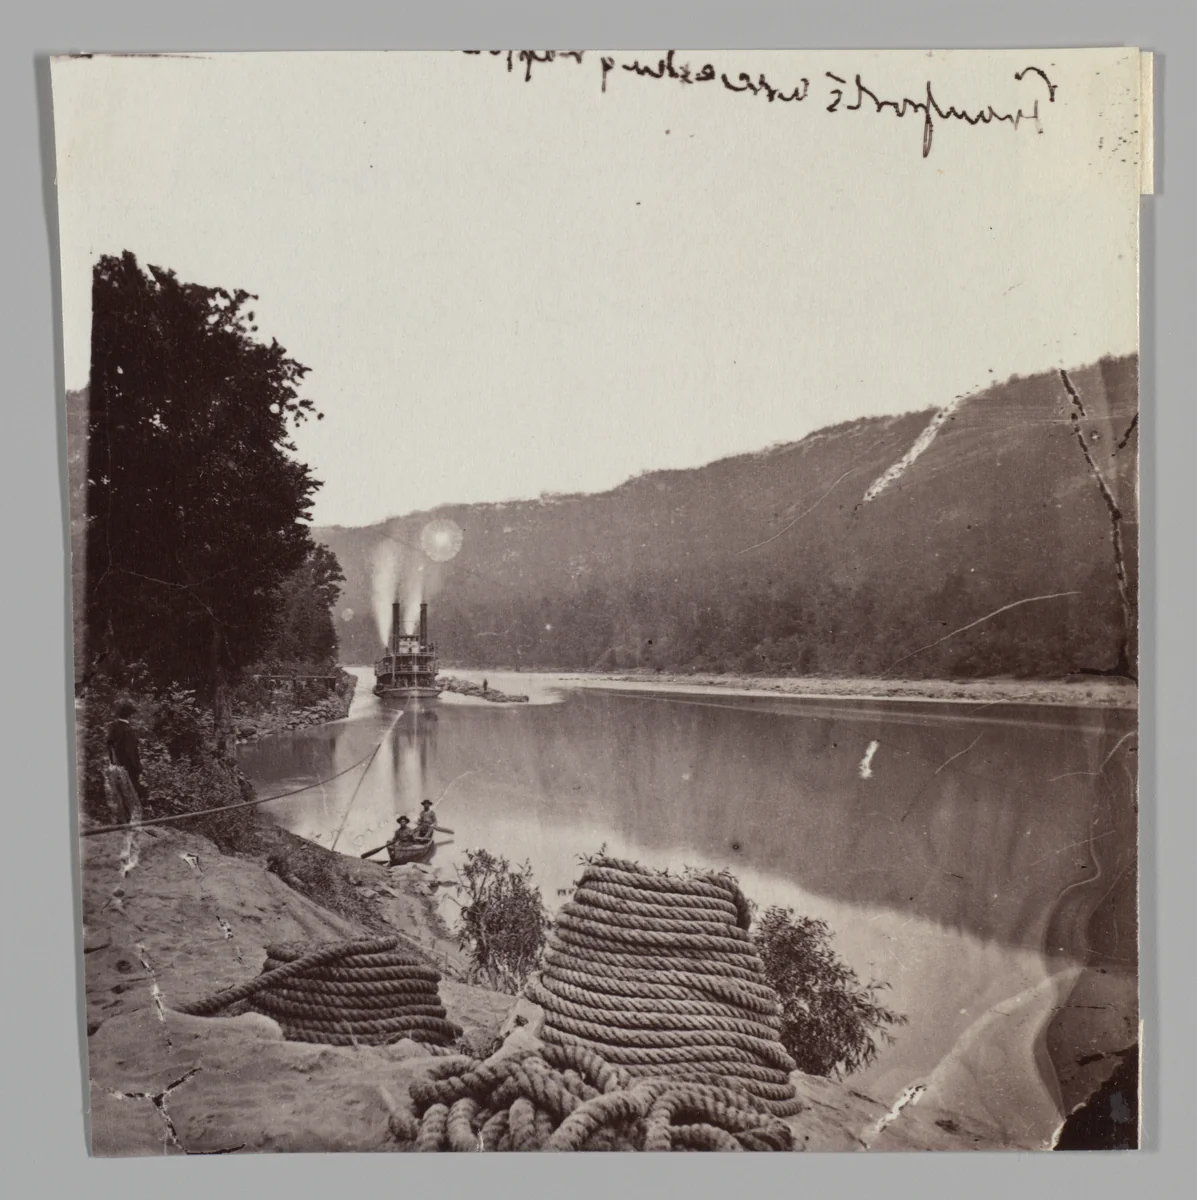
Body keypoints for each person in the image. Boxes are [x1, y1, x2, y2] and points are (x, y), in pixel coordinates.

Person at [106, 699, 147, 803]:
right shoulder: (128, 730)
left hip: (115, 766)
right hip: (128, 767)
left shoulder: (114, 727)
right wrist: (138, 768)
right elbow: (131, 752)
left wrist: (112, 761)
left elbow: (109, 745)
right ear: (130, 716)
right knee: (131, 795)